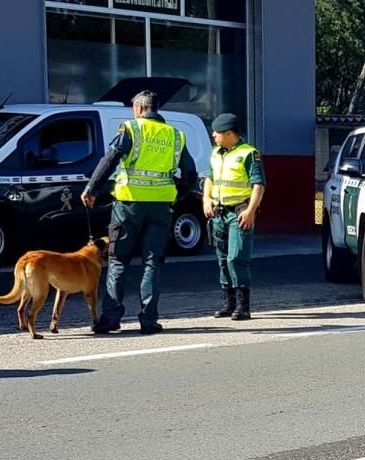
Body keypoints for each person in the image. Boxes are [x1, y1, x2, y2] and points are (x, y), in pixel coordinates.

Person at [80, 90, 197, 335]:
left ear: (140, 108)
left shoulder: (131, 129)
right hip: (160, 206)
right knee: (153, 263)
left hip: (129, 205)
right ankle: (149, 320)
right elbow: (190, 174)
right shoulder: (176, 135)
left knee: (118, 260)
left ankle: (111, 318)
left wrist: (92, 188)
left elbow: (110, 159)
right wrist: (175, 192)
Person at [203, 113, 265, 321]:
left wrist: (251, 211)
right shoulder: (216, 153)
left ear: (229, 134)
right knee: (222, 259)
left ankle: (243, 306)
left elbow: (259, 185)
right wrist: (206, 199)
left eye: (217, 133)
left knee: (236, 258)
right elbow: (210, 178)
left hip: (239, 213)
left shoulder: (249, 154)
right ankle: (228, 304)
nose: (213, 135)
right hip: (219, 213)